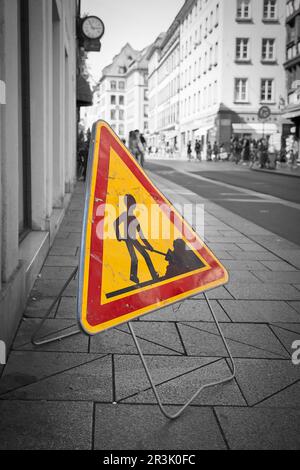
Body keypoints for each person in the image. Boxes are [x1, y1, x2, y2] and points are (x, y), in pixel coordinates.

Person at [114, 194, 158, 285]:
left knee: (140, 257)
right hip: (129, 239)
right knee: (139, 257)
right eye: (132, 204)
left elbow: (141, 234)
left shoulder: (133, 218)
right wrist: (119, 236)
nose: (133, 206)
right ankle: (146, 275)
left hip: (133, 239)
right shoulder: (125, 215)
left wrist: (149, 246)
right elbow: (115, 223)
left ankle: (135, 276)